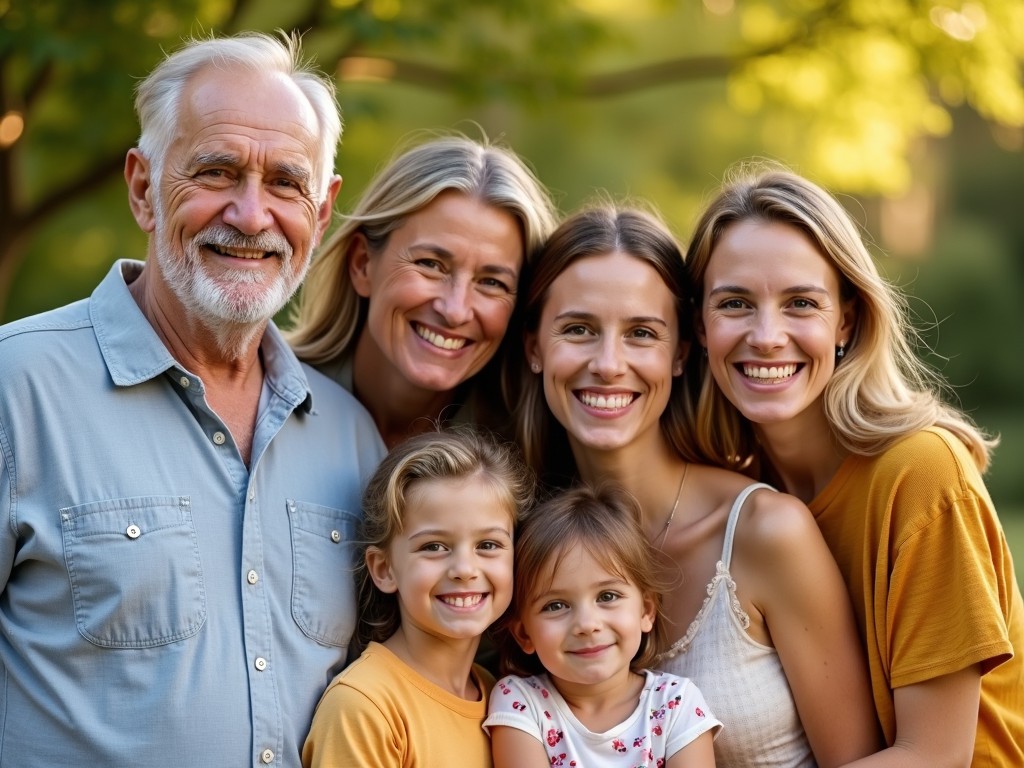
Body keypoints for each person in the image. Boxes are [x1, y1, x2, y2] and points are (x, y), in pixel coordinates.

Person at [0, 32, 386, 768]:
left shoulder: (350, 438)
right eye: (216, 171)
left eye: (284, 183)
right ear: (143, 188)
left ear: (323, 209)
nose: (249, 214)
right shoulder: (17, 389)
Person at [515, 203, 880, 766]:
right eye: (579, 330)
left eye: (642, 333)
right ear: (535, 348)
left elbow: (858, 760)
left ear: (683, 352)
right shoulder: (520, 544)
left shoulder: (766, 532)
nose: (609, 364)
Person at [685, 165, 1024, 767]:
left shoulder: (920, 473)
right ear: (700, 328)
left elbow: (934, 757)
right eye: (735, 303)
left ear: (845, 319)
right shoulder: (741, 491)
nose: (766, 336)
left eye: (800, 303)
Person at [287, 134, 559, 448]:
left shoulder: (530, 458)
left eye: (491, 282)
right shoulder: (257, 395)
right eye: (431, 264)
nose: (455, 310)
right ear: (363, 264)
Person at [302, 427, 534, 767]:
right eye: (434, 547)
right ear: (384, 569)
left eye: (488, 545)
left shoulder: (502, 698)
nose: (465, 569)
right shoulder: (365, 706)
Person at [486, 483, 722, 768]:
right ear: (524, 633)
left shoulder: (676, 703)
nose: (587, 625)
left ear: (646, 611)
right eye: (556, 605)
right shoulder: (520, 703)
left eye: (607, 596)